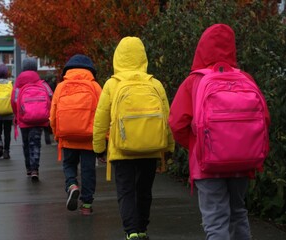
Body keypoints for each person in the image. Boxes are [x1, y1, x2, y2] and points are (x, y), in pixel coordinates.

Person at [168, 24, 270, 240]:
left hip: (207, 164)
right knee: (239, 214)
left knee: (215, 221)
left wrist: (198, 145)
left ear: (201, 48)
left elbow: (177, 123)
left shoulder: (194, 82)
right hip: (242, 162)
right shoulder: (246, 79)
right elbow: (265, 119)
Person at [93, 37, 174, 240]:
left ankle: (131, 232)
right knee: (144, 191)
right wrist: (169, 148)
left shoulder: (112, 84)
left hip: (122, 149)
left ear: (117, 57)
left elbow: (100, 119)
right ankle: (143, 228)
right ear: (143, 57)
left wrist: (98, 148)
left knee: (126, 191)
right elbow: (168, 118)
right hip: (150, 147)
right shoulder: (155, 84)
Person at [50, 54, 102, 216]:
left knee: (69, 165)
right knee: (88, 170)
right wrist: (104, 139)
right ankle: (86, 204)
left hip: (67, 136)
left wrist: (57, 134)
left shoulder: (60, 87)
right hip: (88, 137)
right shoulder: (95, 87)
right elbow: (103, 114)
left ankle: (72, 185)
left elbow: (52, 115)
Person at [11, 57, 53, 181]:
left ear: (23, 68)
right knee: (36, 144)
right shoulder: (42, 84)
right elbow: (51, 97)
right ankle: (35, 169)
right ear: (35, 69)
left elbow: (14, 101)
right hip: (40, 119)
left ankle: (29, 168)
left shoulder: (18, 85)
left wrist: (17, 115)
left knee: (26, 144)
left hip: (24, 120)